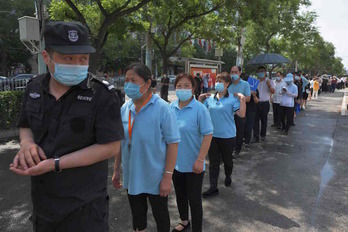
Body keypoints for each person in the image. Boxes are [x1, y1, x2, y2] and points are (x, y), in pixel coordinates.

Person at [10, 21, 124, 232]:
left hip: (85, 208)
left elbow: (110, 147)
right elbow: (25, 124)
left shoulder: (101, 95)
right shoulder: (34, 88)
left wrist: (55, 164)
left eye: (83, 58)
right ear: (47, 57)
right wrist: (26, 144)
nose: (77, 64)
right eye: (68, 58)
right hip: (44, 206)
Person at [112, 63, 180, 232]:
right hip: (132, 175)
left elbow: (173, 144)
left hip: (156, 178)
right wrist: (116, 170)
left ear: (148, 83)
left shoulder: (163, 108)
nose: (128, 84)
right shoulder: (125, 109)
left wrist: (167, 177)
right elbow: (121, 142)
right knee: (137, 217)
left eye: (133, 81)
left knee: (161, 216)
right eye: (126, 80)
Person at [170, 73, 213, 232]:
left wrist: (200, 159)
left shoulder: (200, 109)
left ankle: (198, 229)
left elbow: (208, 134)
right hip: (175, 163)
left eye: (187, 86)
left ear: (193, 88)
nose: (183, 89)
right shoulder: (171, 107)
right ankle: (184, 221)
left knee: (194, 200)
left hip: (194, 163)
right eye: (179, 86)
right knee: (180, 196)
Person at [199, 72, 246, 198]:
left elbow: (241, 114)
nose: (218, 83)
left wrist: (242, 99)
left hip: (228, 136)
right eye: (217, 81)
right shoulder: (209, 99)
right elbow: (201, 113)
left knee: (227, 160)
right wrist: (200, 99)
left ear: (227, 84)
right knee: (213, 163)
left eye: (221, 81)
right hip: (212, 137)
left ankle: (228, 174)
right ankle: (213, 187)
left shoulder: (232, 99)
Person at [228, 66, 250, 158]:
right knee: (230, 131)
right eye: (232, 72)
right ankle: (230, 148)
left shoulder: (245, 84)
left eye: (235, 72)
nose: (233, 74)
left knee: (239, 131)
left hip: (240, 111)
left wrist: (241, 97)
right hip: (229, 112)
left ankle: (237, 150)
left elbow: (248, 99)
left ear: (240, 73)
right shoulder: (228, 84)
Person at [253, 66, 275, 142]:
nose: (261, 73)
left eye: (262, 71)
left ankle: (263, 135)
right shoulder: (255, 81)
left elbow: (273, 91)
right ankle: (256, 136)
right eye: (259, 72)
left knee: (264, 120)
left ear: (265, 73)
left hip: (265, 103)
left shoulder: (269, 81)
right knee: (255, 120)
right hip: (256, 103)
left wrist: (269, 85)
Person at [241, 75, 259, 149]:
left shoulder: (255, 89)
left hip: (251, 110)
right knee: (241, 126)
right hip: (241, 109)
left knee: (249, 126)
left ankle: (247, 142)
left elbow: (257, 101)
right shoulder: (240, 88)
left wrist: (254, 96)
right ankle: (241, 140)